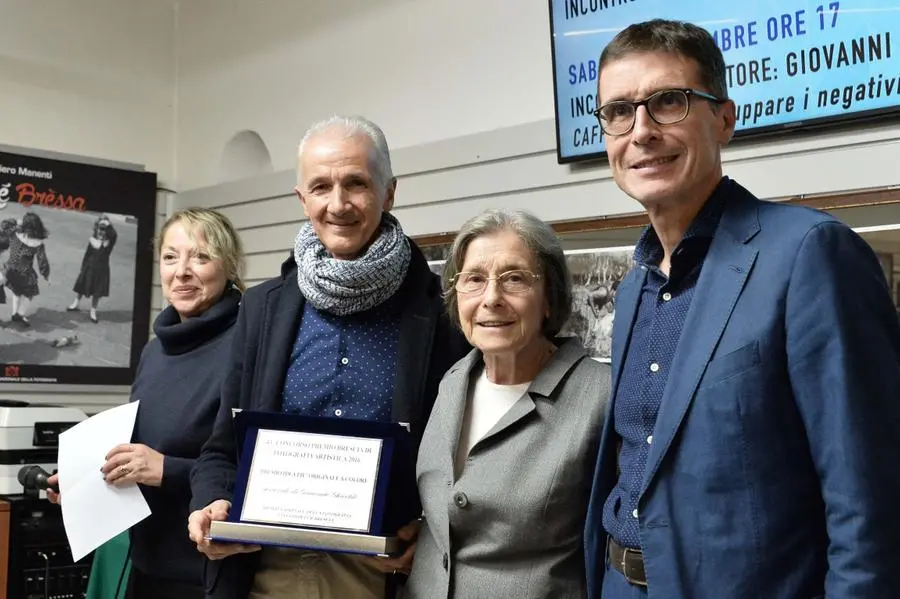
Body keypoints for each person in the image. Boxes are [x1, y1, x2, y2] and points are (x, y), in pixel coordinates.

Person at [582, 19, 900, 599]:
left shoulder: (808, 254)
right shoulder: (634, 288)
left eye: (668, 102)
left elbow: (869, 498)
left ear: (725, 118)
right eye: (619, 112)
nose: (641, 131)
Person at [187, 116, 470, 599]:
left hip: (382, 576)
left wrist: (431, 525)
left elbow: (463, 457)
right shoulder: (261, 309)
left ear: (389, 193)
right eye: (321, 186)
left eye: (356, 184)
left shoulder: (443, 310)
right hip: (263, 569)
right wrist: (212, 502)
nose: (337, 204)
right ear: (302, 198)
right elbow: (221, 449)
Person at [406, 209, 610, 598]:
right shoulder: (452, 383)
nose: (491, 299)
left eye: (514, 278)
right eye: (474, 280)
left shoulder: (600, 396)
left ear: (549, 297)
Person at [49, 208, 246, 599]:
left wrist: (166, 470)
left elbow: (256, 471)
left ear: (230, 266)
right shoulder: (154, 352)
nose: (182, 271)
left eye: (201, 257)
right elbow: (139, 448)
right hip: (147, 562)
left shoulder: (248, 346)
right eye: (171, 257)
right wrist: (86, 479)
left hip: (209, 571)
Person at [2, 211, 50, 326]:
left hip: (10, 269)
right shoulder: (38, 243)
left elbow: (4, 224)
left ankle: (14, 314)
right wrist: (46, 275)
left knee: (16, 292)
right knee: (30, 293)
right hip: (25, 273)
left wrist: (15, 221)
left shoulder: (14, 233)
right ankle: (20, 313)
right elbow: (42, 261)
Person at [68, 213, 119, 323]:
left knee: (97, 291)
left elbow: (114, 234)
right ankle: (76, 303)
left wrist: (107, 224)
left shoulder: (108, 243)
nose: (101, 232)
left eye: (104, 229)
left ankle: (93, 311)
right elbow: (87, 254)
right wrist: (83, 267)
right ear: (96, 229)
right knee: (82, 285)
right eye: (99, 229)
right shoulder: (92, 240)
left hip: (102, 270)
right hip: (89, 267)